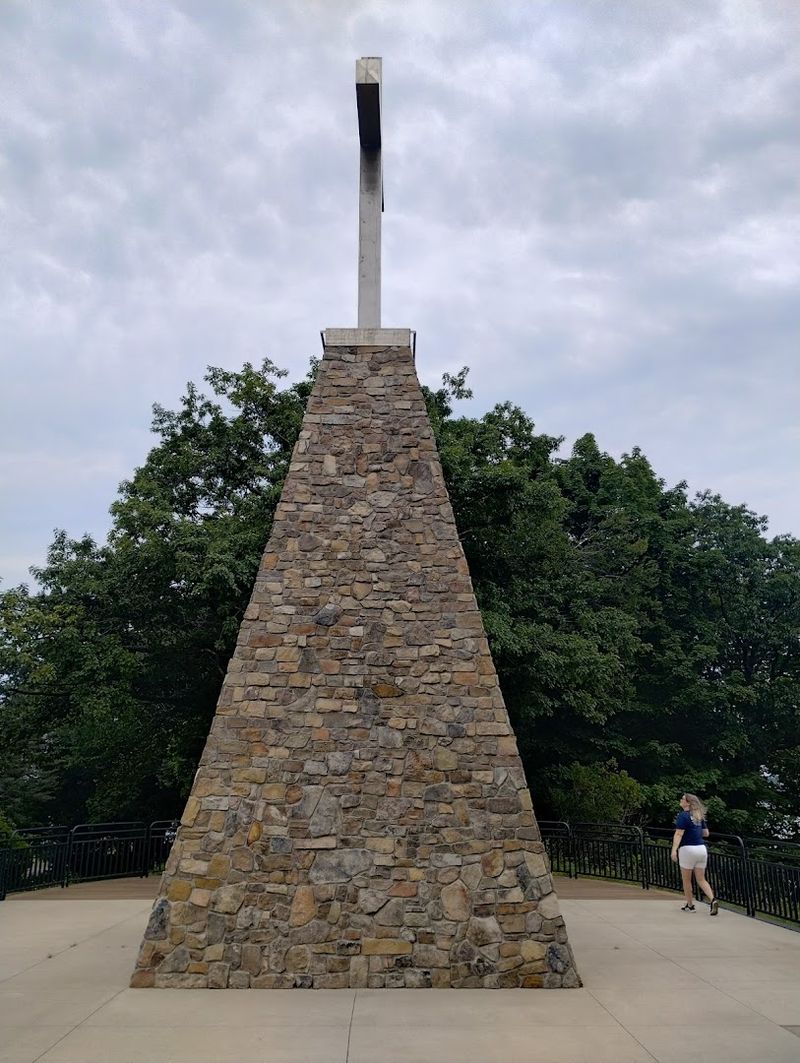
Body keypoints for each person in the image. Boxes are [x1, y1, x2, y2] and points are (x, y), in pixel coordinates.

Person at [671, 792, 719, 915]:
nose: (681, 800)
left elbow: (679, 834)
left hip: (687, 849)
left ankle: (690, 905)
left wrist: (674, 850)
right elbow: (706, 833)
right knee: (701, 879)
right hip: (701, 849)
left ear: (688, 803)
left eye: (683, 799)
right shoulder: (698, 815)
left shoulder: (683, 815)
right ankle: (713, 900)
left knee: (686, 880)